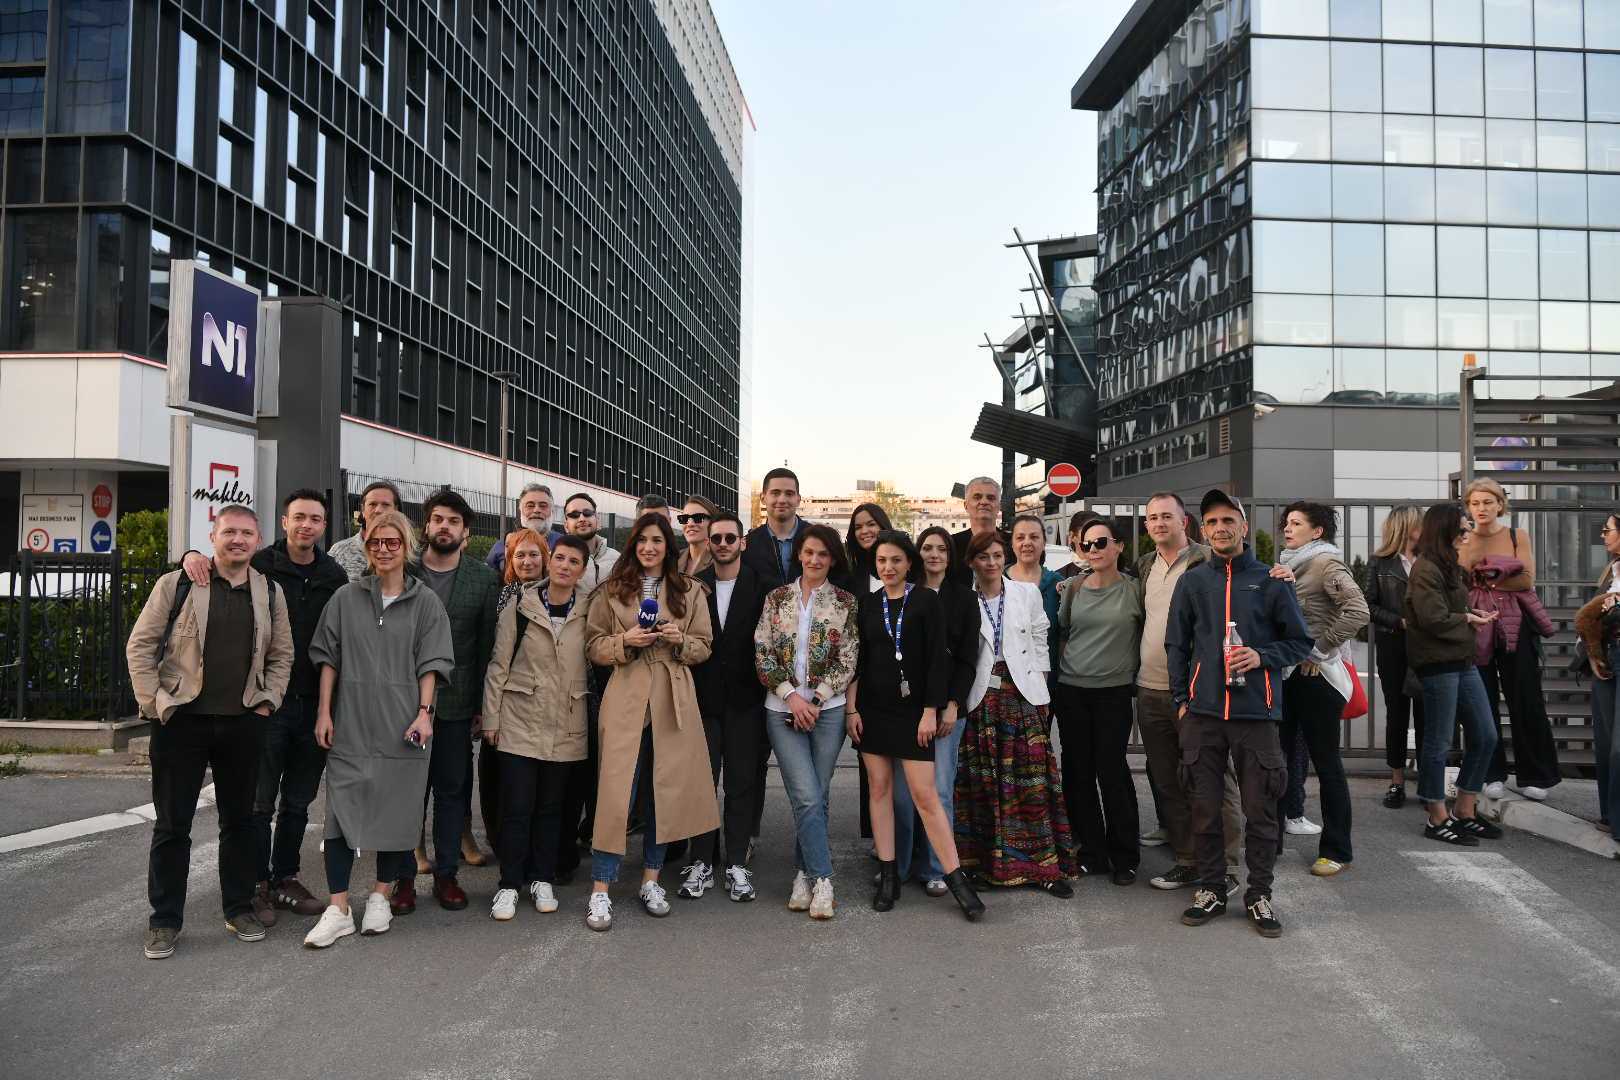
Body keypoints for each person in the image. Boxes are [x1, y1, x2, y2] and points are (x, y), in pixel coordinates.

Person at [127, 505, 293, 959]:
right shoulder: (179, 583)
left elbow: (282, 656)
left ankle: (239, 908)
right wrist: (155, 704)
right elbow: (140, 645)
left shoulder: (270, 592)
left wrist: (267, 701)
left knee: (239, 823)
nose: (238, 540)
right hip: (182, 722)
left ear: (258, 541)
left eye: (247, 533)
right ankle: (164, 922)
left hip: (243, 723)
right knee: (172, 826)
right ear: (214, 536)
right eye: (230, 532)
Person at [179, 491, 349, 927]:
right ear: (284, 522)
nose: (306, 525)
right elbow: (216, 565)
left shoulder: (334, 575)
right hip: (263, 703)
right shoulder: (261, 564)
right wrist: (189, 554)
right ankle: (255, 884)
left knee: (298, 801)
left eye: (315, 519)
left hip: (314, 702)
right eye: (299, 518)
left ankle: (284, 878)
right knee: (258, 803)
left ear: (323, 526)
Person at [301, 510, 455, 947]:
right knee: (339, 820)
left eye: (392, 543)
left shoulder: (425, 602)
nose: (383, 551)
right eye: (375, 543)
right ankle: (338, 908)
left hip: (403, 726)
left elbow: (433, 662)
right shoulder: (346, 598)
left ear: (407, 549)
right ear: (365, 547)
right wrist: (324, 713)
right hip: (350, 724)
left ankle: (381, 897)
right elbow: (328, 657)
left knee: (397, 813)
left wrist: (425, 713)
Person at [1167, 490, 1313, 939]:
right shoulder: (1193, 581)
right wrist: (1181, 698)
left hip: (1256, 714)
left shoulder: (1271, 579)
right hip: (1203, 713)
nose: (1220, 528)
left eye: (1229, 520)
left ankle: (1259, 894)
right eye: (1212, 522)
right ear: (1203, 529)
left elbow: (1299, 642)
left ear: (1244, 527)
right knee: (1205, 808)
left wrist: (1261, 655)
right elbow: (1176, 643)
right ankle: (1211, 888)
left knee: (1261, 809)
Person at [583, 512, 718, 930]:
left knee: (666, 789)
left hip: (673, 693)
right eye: (643, 540)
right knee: (616, 790)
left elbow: (704, 646)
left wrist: (681, 641)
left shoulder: (691, 590)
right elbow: (593, 645)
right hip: (626, 693)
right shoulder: (611, 590)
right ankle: (601, 888)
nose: (649, 548)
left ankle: (651, 879)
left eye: (658, 541)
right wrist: (625, 641)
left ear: (668, 546)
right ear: (633, 545)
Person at [849, 530, 985, 921]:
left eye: (895, 560)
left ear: (909, 562)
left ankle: (956, 879)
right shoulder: (868, 604)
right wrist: (852, 711)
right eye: (881, 561)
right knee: (880, 791)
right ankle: (889, 875)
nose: (888, 567)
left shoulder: (926, 601)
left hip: (914, 713)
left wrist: (931, 710)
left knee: (926, 797)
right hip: (873, 711)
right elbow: (860, 661)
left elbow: (937, 662)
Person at [1132, 492, 1244, 894]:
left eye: (1168, 516)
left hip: (1197, 691)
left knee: (1214, 779)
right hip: (1149, 688)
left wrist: (1281, 571)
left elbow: (1246, 581)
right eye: (1153, 517)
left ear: (1185, 522)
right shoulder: (1145, 565)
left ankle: (1228, 864)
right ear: (1146, 526)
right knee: (1168, 781)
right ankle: (1188, 859)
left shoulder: (1208, 560)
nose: (1160, 523)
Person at [955, 530, 1077, 895]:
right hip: (980, 697)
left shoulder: (1024, 593)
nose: (991, 563)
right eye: (983, 557)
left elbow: (1041, 634)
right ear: (972, 562)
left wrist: (1041, 677)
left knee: (1032, 782)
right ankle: (982, 865)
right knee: (982, 782)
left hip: (1023, 693)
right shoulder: (964, 599)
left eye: (996, 556)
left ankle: (1044, 868)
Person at [398, 488, 500, 914]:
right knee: (406, 793)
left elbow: (486, 646)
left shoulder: (483, 578)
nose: (445, 526)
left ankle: (446, 876)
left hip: (457, 705)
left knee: (452, 790)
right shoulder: (402, 571)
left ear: (465, 530)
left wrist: (481, 705)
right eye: (438, 519)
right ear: (427, 525)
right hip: (403, 702)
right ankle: (401, 878)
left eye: (454, 521)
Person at [481, 531, 592, 920]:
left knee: (552, 809)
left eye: (573, 562)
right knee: (517, 808)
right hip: (519, 720)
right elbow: (499, 663)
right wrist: (491, 718)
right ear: (551, 561)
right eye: (559, 558)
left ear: (581, 571)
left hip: (568, 722)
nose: (564, 566)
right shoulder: (520, 603)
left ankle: (542, 879)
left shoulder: (590, 609)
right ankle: (509, 884)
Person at [754, 523, 860, 917]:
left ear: (833, 559)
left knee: (818, 794)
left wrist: (815, 698)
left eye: (823, 554)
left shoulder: (845, 602)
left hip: (827, 711)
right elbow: (762, 651)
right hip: (781, 708)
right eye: (809, 552)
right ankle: (824, 879)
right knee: (806, 794)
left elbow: (849, 657)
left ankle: (801, 874)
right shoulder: (776, 599)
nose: (815, 560)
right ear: (799, 553)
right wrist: (791, 697)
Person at [1272, 502, 1368, 877]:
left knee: (1327, 765)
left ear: (1318, 532)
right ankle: (1270, 840)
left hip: (1318, 678)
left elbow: (1358, 611)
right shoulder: (1292, 564)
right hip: (1287, 676)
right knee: (1276, 762)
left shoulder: (1326, 564)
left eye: (1296, 523)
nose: (1287, 528)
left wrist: (1320, 648)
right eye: (1286, 523)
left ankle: (1337, 850)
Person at [679, 512, 769, 902]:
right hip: (703, 701)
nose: (723, 544)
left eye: (730, 538)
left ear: (742, 543)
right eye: (717, 538)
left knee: (740, 785)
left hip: (747, 703)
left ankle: (735, 862)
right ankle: (701, 861)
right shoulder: (693, 587)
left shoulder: (765, 589)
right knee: (701, 782)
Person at [1404, 503, 1503, 847]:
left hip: (1461, 660)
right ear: (1445, 532)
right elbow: (1432, 619)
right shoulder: (1426, 567)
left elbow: (1447, 610)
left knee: (1486, 735)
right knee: (1438, 742)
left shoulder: (1448, 566)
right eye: (1462, 529)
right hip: (1438, 663)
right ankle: (1436, 816)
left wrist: (1468, 612)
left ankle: (1465, 809)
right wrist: (1467, 619)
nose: (1467, 534)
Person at [888, 526, 979, 895]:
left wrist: (952, 705)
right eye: (927, 548)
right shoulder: (904, 595)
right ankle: (899, 865)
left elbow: (968, 659)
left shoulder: (964, 599)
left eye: (942, 548)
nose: (935, 554)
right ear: (917, 554)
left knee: (939, 790)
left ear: (950, 556)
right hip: (904, 707)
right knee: (902, 795)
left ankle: (937, 868)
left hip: (946, 710)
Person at [1054, 517, 1143, 885]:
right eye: (1086, 545)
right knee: (1077, 772)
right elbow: (1063, 634)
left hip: (1114, 691)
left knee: (1112, 770)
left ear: (1119, 546)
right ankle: (1092, 851)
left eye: (1101, 543)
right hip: (1071, 689)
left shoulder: (1135, 590)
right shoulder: (1073, 587)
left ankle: (1125, 855)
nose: (1093, 551)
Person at [1461, 478, 1560, 800]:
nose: (1482, 509)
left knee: (1526, 698)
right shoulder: (1464, 538)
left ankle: (1535, 776)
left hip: (1518, 624)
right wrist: (1501, 574)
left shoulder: (1518, 535)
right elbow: (1461, 581)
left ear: (1500, 504)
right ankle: (1490, 773)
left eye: (1488, 502)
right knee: (1482, 700)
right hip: (1476, 626)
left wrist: (1483, 580)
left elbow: (1527, 579)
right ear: (1468, 508)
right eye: (1475, 503)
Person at [1365, 504, 1428, 808]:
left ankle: (1430, 783)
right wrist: (1398, 621)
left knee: (1429, 714)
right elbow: (1368, 606)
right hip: (1393, 645)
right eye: (1419, 524)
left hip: (1429, 644)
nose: (1424, 529)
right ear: (1405, 528)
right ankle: (1396, 781)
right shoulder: (1380, 562)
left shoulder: (1433, 559)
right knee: (1397, 714)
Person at [1575, 512, 1620, 840]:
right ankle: (1608, 814)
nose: (1603, 536)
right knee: (1605, 740)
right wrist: (1591, 653)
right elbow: (1589, 617)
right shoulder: (1611, 570)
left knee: (1618, 745)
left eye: (1608, 530)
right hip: (1606, 657)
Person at [1008, 513, 1063, 663]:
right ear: (1012, 543)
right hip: (1005, 680)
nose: (1027, 543)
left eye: (1034, 537)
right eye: (1020, 538)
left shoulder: (1057, 584)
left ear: (1044, 542)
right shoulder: (997, 581)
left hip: (1047, 678)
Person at [743, 466, 805, 590]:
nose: (782, 500)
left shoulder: (818, 540)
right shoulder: (748, 545)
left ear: (798, 499)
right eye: (775, 493)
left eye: (789, 493)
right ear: (763, 498)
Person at [330, 480, 403, 582]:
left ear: (396, 510)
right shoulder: (339, 552)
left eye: (385, 504)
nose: (378, 510)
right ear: (363, 510)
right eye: (372, 504)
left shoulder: (409, 553)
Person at [486, 483, 559, 573]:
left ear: (552, 511)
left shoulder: (563, 543)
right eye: (530, 506)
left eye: (543, 506)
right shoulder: (502, 545)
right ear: (520, 510)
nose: (536, 510)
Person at [950, 476, 1009, 586]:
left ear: (999, 506)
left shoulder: (1013, 544)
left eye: (991, 498)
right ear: (966, 505)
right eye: (977, 497)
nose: (984, 501)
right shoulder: (950, 545)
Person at [560, 492, 621, 596]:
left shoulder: (618, 560)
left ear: (597, 522)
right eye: (574, 515)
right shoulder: (553, 561)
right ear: (566, 526)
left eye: (587, 513)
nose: (582, 519)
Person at [846, 502, 893, 592]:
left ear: (883, 526)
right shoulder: (852, 578)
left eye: (871, 524)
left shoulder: (906, 569)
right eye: (858, 527)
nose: (864, 531)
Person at [676, 494, 720, 576]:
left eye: (698, 518)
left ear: (713, 523)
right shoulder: (673, 560)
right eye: (685, 518)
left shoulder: (721, 560)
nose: (690, 524)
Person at [1057, 510, 1102, 581]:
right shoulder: (1059, 578)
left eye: (1100, 536)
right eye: (1089, 534)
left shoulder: (1118, 575)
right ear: (1072, 536)